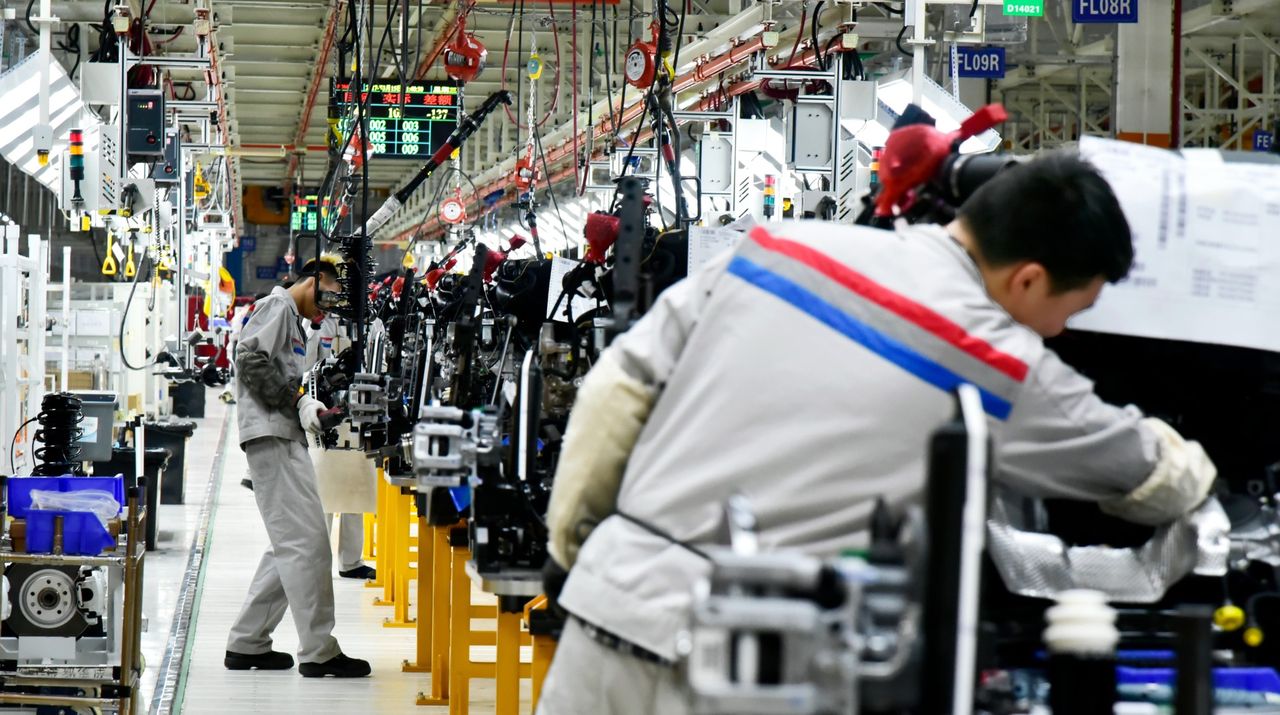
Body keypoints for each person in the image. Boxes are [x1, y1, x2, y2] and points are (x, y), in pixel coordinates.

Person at [536, 151, 1217, 714]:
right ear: (1032, 277)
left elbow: (614, 391)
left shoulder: (777, 247)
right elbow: (1142, 470)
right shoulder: (1001, 365)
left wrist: (578, 552)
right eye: (1074, 308)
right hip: (750, 673)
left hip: (608, 621)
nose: (1062, 332)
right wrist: (1202, 478)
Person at [224, 257, 372, 678]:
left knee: (289, 545)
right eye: (326, 296)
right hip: (272, 436)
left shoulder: (292, 317)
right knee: (308, 544)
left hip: (282, 434)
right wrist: (298, 401)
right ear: (313, 279)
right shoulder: (278, 308)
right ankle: (319, 651)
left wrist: (308, 405)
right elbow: (249, 358)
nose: (326, 310)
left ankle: (247, 642)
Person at [304, 313, 376, 581]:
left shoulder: (365, 322)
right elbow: (305, 363)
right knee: (324, 496)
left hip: (354, 410)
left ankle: (351, 561)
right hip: (322, 409)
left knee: (354, 494)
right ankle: (315, 562)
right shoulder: (308, 324)